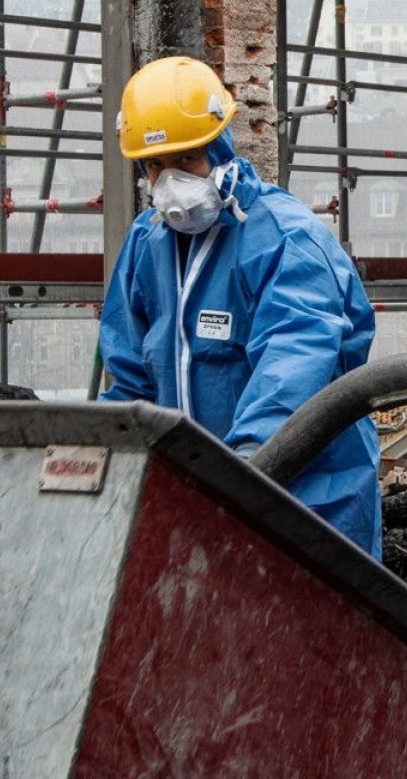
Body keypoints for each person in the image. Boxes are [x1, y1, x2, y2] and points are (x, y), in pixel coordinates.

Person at [98, 55, 382, 557]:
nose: (171, 183)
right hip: (203, 498)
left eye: (187, 160)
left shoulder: (283, 237)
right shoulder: (148, 244)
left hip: (305, 496)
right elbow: (128, 373)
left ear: (220, 148)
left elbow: (295, 355)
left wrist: (251, 462)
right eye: (155, 166)